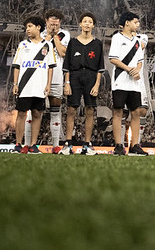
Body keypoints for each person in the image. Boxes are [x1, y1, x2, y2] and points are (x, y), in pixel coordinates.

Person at [61, 12, 105, 155]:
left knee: (90, 109)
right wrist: (67, 83)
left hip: (91, 76)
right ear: (80, 24)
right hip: (74, 76)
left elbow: (100, 67)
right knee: (71, 109)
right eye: (84, 21)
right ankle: (68, 144)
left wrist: (97, 84)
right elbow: (66, 65)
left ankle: (87, 144)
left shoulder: (97, 43)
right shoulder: (73, 42)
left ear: (93, 25)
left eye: (90, 21)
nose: (87, 24)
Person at [11, 15, 55, 154]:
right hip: (25, 85)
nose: (27, 30)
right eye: (26, 27)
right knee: (22, 113)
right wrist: (15, 84)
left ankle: (33, 144)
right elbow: (17, 65)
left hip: (40, 86)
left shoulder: (47, 45)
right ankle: (18, 143)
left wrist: (48, 84)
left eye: (30, 26)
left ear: (38, 27)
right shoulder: (23, 45)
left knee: (37, 114)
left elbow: (50, 67)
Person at [108, 12, 149, 156]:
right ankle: (118, 145)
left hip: (134, 83)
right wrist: (128, 69)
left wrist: (137, 70)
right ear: (127, 23)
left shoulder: (137, 41)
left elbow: (140, 60)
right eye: (135, 22)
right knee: (118, 111)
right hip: (120, 80)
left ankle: (134, 144)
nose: (137, 25)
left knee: (136, 112)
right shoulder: (117, 38)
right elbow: (113, 58)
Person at [39, 9, 70, 154]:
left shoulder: (64, 34)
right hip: (39, 77)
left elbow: (63, 52)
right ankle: (28, 144)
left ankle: (56, 145)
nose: (54, 23)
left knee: (55, 111)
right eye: (51, 21)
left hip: (57, 77)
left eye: (56, 21)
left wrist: (55, 36)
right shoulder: (39, 34)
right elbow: (40, 52)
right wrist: (47, 36)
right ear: (46, 21)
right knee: (33, 111)